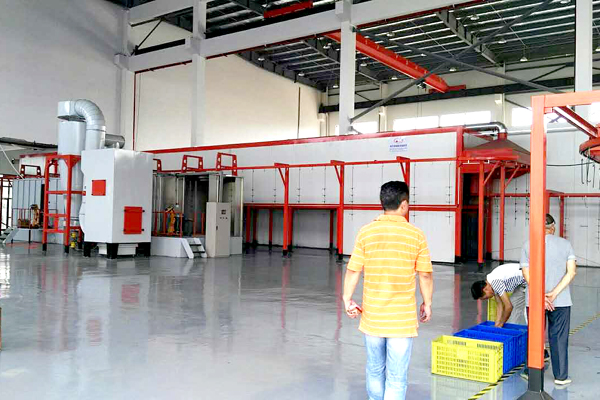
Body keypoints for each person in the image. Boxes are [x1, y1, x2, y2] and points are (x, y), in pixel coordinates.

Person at [342, 181, 433, 400]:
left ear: (382, 202)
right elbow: (425, 274)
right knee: (397, 377)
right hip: (401, 320)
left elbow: (353, 270)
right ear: (404, 204)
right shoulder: (416, 235)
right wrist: (427, 303)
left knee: (375, 369)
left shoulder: (366, 232)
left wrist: (347, 299)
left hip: (373, 317)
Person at [520, 214, 577, 386]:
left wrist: (541, 296)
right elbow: (572, 272)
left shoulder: (528, 245)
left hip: (535, 300)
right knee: (559, 337)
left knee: (535, 335)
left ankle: (531, 373)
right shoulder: (566, 245)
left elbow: (526, 274)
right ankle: (561, 376)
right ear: (553, 228)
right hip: (561, 300)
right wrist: (553, 294)